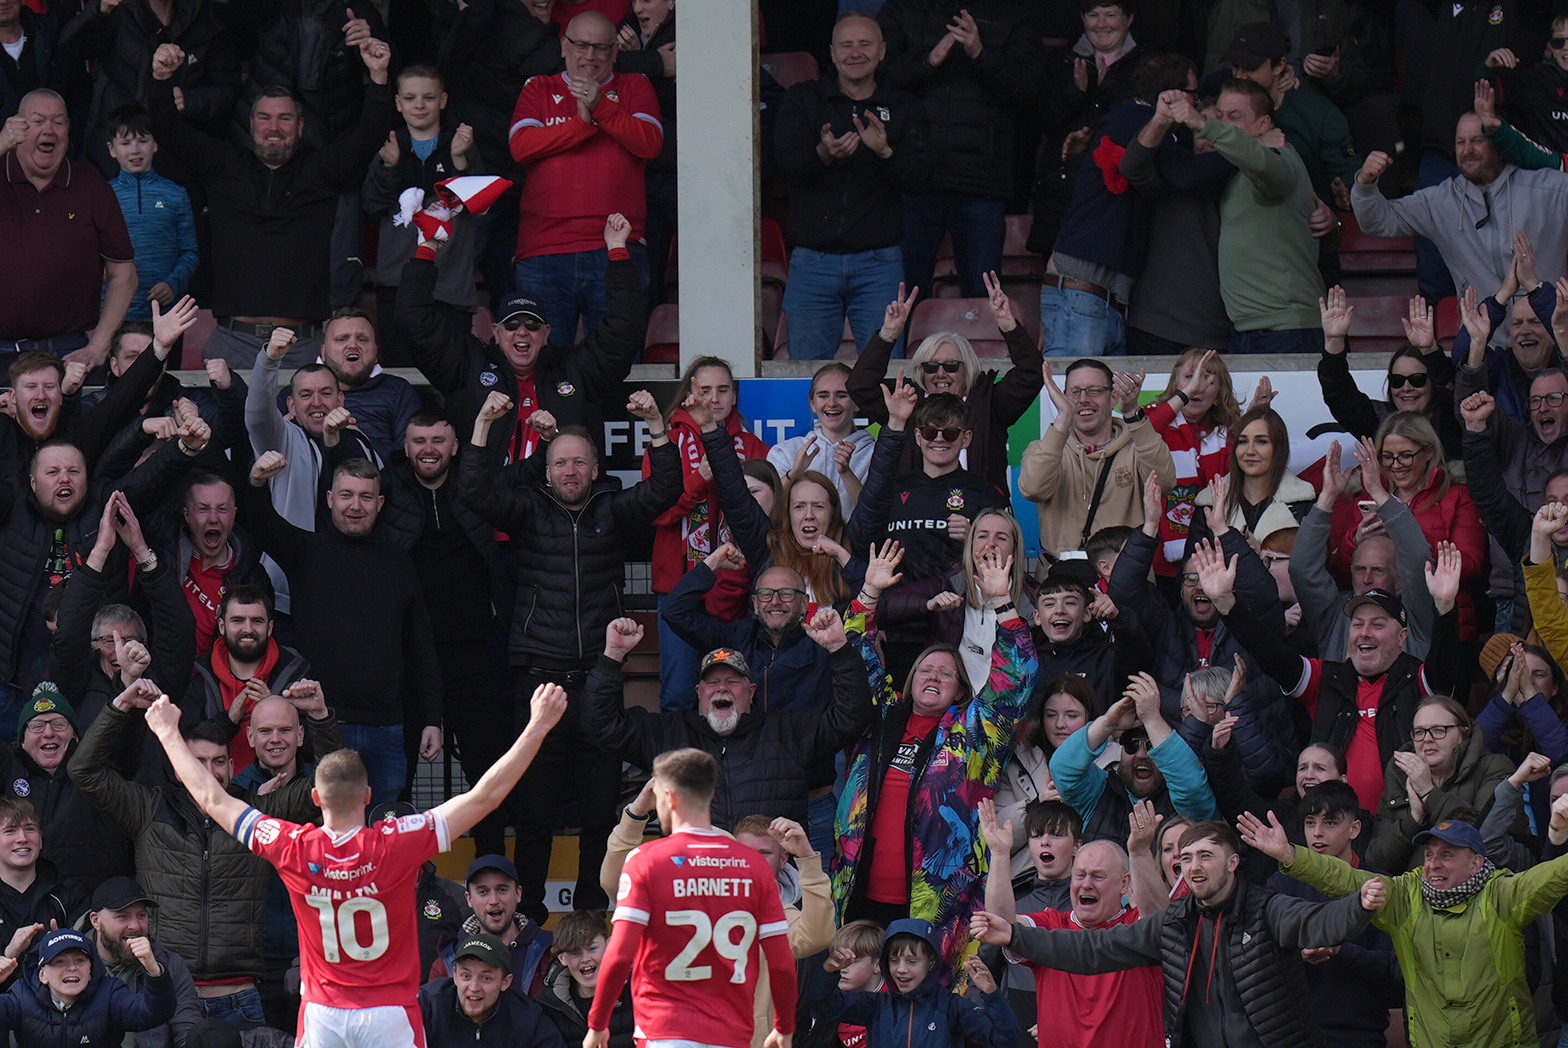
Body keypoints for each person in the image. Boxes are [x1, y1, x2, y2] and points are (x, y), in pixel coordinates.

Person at [144, 679, 568, 1048]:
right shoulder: (397, 842)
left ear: (314, 799)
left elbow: (212, 798)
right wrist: (538, 726)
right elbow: (485, 798)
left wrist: (167, 732)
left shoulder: (292, 844)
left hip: (325, 1014)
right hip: (389, 1013)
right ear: (368, 798)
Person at [460, 389, 680, 917]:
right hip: (538, 682)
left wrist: (655, 424)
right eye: (561, 462)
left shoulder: (612, 509)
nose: (570, 471)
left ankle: (590, 913)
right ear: (547, 468)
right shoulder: (529, 509)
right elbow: (471, 487)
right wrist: (482, 426)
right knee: (534, 813)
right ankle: (530, 916)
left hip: (598, 682)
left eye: (580, 462)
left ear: (596, 468)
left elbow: (667, 487)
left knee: (600, 808)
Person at [970, 821, 1388, 1048]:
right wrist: (1016, 936)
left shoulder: (1267, 907)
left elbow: (1317, 922)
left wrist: (1359, 906)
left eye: (1206, 855)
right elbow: (1092, 949)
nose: (1194, 866)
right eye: (1186, 857)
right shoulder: (1173, 923)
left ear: (1234, 863)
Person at [69, 678, 336, 1025]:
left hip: (239, 998)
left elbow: (332, 783)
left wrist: (319, 715)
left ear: (231, 765)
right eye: (198, 761)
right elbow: (82, 770)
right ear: (179, 766)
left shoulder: (255, 814)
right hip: (168, 993)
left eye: (219, 762)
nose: (209, 773)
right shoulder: (148, 809)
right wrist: (120, 706)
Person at [833, 545, 1036, 973]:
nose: (934, 676)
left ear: (960, 690)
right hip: (857, 891)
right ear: (910, 681)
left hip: (935, 904)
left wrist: (1002, 602)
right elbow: (853, 656)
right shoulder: (882, 718)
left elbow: (1015, 678)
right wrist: (869, 591)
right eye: (925, 669)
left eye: (946, 673)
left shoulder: (975, 733)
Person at [146, 31, 393, 369]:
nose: (273, 127)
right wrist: (161, 79)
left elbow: (369, 135)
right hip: (233, 343)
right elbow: (168, 130)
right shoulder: (223, 166)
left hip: (303, 345)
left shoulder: (322, 171)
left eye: (285, 118)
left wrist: (379, 77)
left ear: (301, 127)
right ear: (250, 125)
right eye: (264, 118)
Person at [1240, 801, 1568, 1048]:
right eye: (1429, 855)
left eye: (1448, 855)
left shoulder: (1502, 895)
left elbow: (1553, 876)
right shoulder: (1406, 897)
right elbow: (1346, 879)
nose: (1434, 864)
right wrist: (1290, 856)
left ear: (1476, 863)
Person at [1195, 537, 1462, 813]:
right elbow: (1270, 654)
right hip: (1327, 829)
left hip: (1398, 832)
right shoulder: (1326, 679)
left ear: (1402, 637)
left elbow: (1444, 668)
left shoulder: (1416, 680)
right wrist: (1227, 604)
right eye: (1357, 624)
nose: (1364, 632)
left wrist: (1444, 608)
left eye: (1378, 625)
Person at [244, 453, 441, 810]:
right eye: (346, 495)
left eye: (366, 497)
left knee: (384, 836)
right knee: (323, 832)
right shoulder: (308, 551)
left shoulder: (399, 562)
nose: (356, 506)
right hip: (325, 727)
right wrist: (257, 484)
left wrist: (431, 719)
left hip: (388, 729)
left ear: (380, 503)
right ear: (330, 499)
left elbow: (421, 646)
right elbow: (261, 524)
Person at [582, 747, 797, 1048]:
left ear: (667, 798)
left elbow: (618, 955)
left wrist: (597, 1024)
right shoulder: (755, 867)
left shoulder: (646, 860)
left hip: (665, 1031)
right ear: (709, 795)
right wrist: (784, 1027)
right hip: (733, 1035)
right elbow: (782, 964)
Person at [586, 608, 872, 830]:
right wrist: (613, 655)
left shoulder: (788, 731)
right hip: (693, 883)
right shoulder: (668, 734)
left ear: (751, 692)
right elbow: (602, 724)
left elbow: (851, 716)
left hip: (770, 885)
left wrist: (839, 650)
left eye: (733, 681)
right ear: (698, 692)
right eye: (712, 682)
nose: (721, 687)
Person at [395, 212, 642, 464]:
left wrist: (617, 250)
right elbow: (414, 320)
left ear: (546, 334)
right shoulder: (468, 366)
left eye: (532, 325)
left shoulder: (576, 369)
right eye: (511, 325)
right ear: (496, 333)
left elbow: (625, 327)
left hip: (560, 500)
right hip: (487, 499)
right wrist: (427, 246)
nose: (522, 332)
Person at [774, 12, 927, 360]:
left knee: (884, 375)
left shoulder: (903, 105)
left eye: (865, 44)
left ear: (883, 51)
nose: (855, 53)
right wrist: (823, 153)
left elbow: (923, 179)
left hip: (879, 264)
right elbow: (787, 168)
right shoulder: (803, 100)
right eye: (846, 45)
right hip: (813, 263)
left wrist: (886, 152)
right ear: (831, 52)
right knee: (807, 377)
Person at [873, 0, 1043, 299]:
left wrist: (980, 53)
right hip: (914, 179)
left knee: (982, 303)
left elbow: (1030, 86)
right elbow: (876, 73)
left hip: (980, 182)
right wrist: (928, 61)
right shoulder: (902, 7)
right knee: (901, 302)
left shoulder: (1012, 11)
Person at [508, 10, 661, 337]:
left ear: (615, 52)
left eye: (601, 47)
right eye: (581, 45)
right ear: (563, 47)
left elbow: (650, 144)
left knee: (617, 367)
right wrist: (582, 124)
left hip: (617, 247)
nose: (590, 55)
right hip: (543, 250)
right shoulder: (538, 88)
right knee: (544, 367)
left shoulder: (636, 85)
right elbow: (521, 147)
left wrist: (601, 107)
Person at [977, 802, 1161, 1048]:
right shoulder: (1051, 923)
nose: (1086, 884)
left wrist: (1139, 852)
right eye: (1080, 875)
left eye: (1098, 876)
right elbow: (1003, 927)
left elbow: (1160, 922)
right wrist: (1000, 855)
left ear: (1124, 884)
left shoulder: (1136, 926)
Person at [645, 357, 771, 712]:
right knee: (678, 694)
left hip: (735, 591)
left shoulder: (754, 447)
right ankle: (678, 769)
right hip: (679, 587)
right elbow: (658, 512)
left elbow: (765, 520)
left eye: (723, 390)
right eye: (704, 390)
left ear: (734, 397)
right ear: (689, 394)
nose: (714, 399)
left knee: (732, 694)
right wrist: (700, 477)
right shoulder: (666, 443)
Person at [1161, 82, 1324, 352]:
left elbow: (1262, 164)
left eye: (1235, 117)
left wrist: (1204, 124)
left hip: (1285, 329)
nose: (1224, 124)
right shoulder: (1234, 168)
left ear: (1264, 124)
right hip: (1249, 330)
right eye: (1220, 117)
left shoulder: (1277, 155)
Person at [848, 280, 1043, 496]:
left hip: (980, 521)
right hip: (916, 519)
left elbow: (1031, 373)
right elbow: (860, 386)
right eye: (931, 367)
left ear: (967, 369)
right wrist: (888, 334)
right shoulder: (905, 404)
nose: (940, 374)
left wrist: (1009, 326)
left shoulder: (990, 403)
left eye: (951, 366)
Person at [1351, 113, 1568, 301]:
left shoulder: (1548, 189)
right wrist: (1365, 184)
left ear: (1501, 146)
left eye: (1477, 140)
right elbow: (1377, 221)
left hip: (1551, 335)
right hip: (1482, 343)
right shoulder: (1441, 201)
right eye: (1460, 142)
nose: (1467, 150)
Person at [0, 88, 136, 366]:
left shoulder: (93, 188)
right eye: (37, 121)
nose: (49, 129)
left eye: (58, 122)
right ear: (17, 127)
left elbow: (124, 275)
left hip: (69, 351)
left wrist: (99, 346)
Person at [1325, 416, 1486, 647]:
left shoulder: (1457, 495)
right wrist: (1356, 542)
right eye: (1387, 457)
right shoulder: (1367, 498)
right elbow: (1342, 575)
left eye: (1406, 455)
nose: (1396, 465)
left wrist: (1405, 536)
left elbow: (1470, 566)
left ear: (1429, 451)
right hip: (1378, 631)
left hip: (1442, 628)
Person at [362, 63, 483, 368]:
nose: (419, 105)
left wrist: (458, 160)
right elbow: (372, 206)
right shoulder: (389, 145)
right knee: (403, 380)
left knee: (453, 380)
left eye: (428, 98)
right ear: (398, 103)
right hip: (397, 286)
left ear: (443, 100)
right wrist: (388, 167)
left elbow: (479, 205)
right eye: (411, 97)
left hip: (452, 287)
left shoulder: (462, 143)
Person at [1289, 439, 1437, 661]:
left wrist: (1377, 491)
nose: (1366, 579)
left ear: (1399, 581)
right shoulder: (1334, 615)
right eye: (1359, 569)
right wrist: (1328, 496)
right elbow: (1301, 569)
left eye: (1378, 570)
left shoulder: (1415, 616)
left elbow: (1417, 559)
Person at [1019, 360, 1177, 558]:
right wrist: (1063, 418)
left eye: (1094, 390)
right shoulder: (1044, 450)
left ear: (1113, 398)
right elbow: (1033, 489)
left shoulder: (1139, 447)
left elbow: (1165, 483)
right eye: (1075, 392)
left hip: (1125, 581)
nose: (1083, 399)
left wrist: (1132, 414)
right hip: (1062, 583)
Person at [1051, 673, 1220, 845]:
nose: (1141, 755)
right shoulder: (1099, 791)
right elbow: (1062, 769)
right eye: (1131, 744)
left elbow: (1192, 787)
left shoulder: (1184, 804)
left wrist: (1152, 719)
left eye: (1152, 746)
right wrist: (1108, 723)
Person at [0, 684, 131, 899]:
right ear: (21, 741)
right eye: (37, 726)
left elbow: (126, 737)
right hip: (21, 907)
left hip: (92, 909)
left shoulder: (99, 771)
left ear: (76, 737)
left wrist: (127, 683)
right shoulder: (8, 770)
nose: (49, 733)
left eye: (58, 724)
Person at [1363, 695, 1515, 872]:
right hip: (1413, 892)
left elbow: (1484, 840)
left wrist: (1429, 794)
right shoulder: (1399, 775)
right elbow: (1375, 862)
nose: (1427, 739)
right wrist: (1414, 819)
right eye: (1419, 732)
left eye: (1438, 730)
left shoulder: (1494, 767)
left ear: (1462, 734)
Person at [812, 920, 1016, 1048]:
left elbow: (1005, 1040)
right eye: (894, 960)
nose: (901, 969)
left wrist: (992, 994)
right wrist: (829, 972)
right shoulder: (875, 1005)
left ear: (931, 962)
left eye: (912, 961)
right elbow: (823, 1004)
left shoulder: (952, 1006)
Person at [1317, 288, 1462, 460]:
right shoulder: (1378, 419)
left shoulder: (1451, 418)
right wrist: (1334, 343)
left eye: (1417, 380)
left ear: (1433, 383)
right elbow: (1340, 396)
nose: (1406, 388)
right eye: (1397, 381)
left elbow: (1452, 386)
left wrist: (1429, 350)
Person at [1144, 349, 1241, 580]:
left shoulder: (1228, 432)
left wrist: (1251, 421)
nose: (1197, 386)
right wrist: (1183, 396)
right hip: (1159, 557)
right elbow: (1142, 435)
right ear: (1176, 384)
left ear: (1218, 395)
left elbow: (1238, 478)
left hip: (1212, 555)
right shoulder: (1154, 416)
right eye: (1190, 377)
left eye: (1207, 380)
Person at [100, 104, 198, 325]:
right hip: (114, 315)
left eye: (142, 141)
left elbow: (190, 252)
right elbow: (87, 252)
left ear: (155, 144)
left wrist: (173, 284)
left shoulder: (176, 194)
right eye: (125, 143)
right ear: (111, 149)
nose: (135, 150)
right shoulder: (101, 195)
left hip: (167, 315)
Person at [190, 588, 309, 767]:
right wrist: (228, 721)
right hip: (218, 791)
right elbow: (186, 749)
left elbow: (313, 749)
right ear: (222, 626)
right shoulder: (198, 674)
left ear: (270, 628)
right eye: (237, 621)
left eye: (257, 621)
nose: (248, 629)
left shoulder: (296, 672)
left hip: (282, 790)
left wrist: (276, 709)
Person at [0, 926, 175, 1048]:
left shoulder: (109, 993)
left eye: (80, 960)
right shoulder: (21, 995)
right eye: (59, 961)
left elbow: (154, 1012)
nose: (72, 968)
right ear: (42, 974)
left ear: (91, 970)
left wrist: (153, 969)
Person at [85, 877, 202, 1048]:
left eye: (141, 915)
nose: (135, 926)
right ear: (96, 921)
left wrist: (155, 972)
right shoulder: (73, 965)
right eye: (123, 917)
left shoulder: (169, 964)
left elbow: (187, 1031)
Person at [171, 475, 271, 657]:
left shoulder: (252, 577)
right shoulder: (168, 553)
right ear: (187, 515)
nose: (213, 518)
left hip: (214, 682)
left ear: (234, 514)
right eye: (203, 509)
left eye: (222, 509)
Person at [426, 856, 553, 997]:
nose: (493, 900)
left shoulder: (549, 952)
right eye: (483, 892)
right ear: (469, 899)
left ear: (518, 894)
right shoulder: (447, 962)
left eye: (502, 890)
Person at [1195, 405, 1314, 546]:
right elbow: (1190, 565)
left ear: (1279, 448)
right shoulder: (1208, 503)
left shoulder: (1305, 503)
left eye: (1261, 441)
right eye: (1243, 441)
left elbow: (1313, 566)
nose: (1250, 451)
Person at [419, 933, 565, 1048]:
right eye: (466, 976)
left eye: (486, 978)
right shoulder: (430, 1005)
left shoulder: (528, 1020)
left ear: (505, 982)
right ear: (455, 975)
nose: (473, 987)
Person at [315, 308, 422, 462]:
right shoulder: (300, 392)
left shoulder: (398, 391)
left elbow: (408, 458)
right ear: (323, 353)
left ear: (375, 352)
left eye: (362, 339)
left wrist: (359, 440)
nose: (353, 345)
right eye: (342, 339)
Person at [768, 364, 876, 512]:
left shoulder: (875, 454)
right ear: (812, 403)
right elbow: (769, 510)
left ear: (856, 403)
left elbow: (875, 515)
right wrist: (795, 473)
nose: (831, 403)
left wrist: (846, 473)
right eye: (823, 396)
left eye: (841, 395)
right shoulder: (785, 451)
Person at [534, 910, 634, 1048]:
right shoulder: (549, 1005)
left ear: (610, 945)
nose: (586, 959)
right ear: (562, 958)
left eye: (592, 949)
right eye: (575, 953)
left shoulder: (636, 988)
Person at [798, 920, 883, 1048]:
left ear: (877, 965)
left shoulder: (890, 1003)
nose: (843, 968)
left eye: (853, 962)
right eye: (838, 960)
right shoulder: (834, 1001)